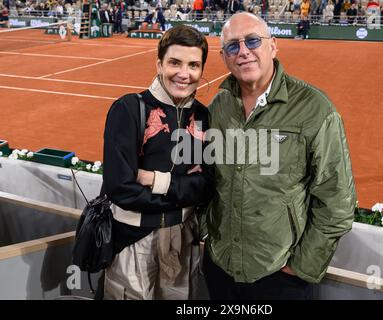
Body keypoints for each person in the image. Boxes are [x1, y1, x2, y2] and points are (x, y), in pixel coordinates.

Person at [203, 12, 356, 300]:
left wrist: (302, 265)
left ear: (273, 46)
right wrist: (206, 233)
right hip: (219, 266)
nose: (243, 52)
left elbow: (337, 201)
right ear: (224, 57)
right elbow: (207, 178)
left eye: (252, 41)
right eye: (233, 46)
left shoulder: (315, 108)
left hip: (280, 277)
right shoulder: (218, 106)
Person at [102, 25, 213, 300]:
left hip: (183, 241)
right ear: (159, 64)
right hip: (132, 241)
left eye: (193, 65)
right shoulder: (128, 108)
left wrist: (154, 180)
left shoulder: (203, 116)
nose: (184, 74)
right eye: (175, 62)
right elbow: (121, 189)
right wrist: (183, 195)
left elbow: (207, 185)